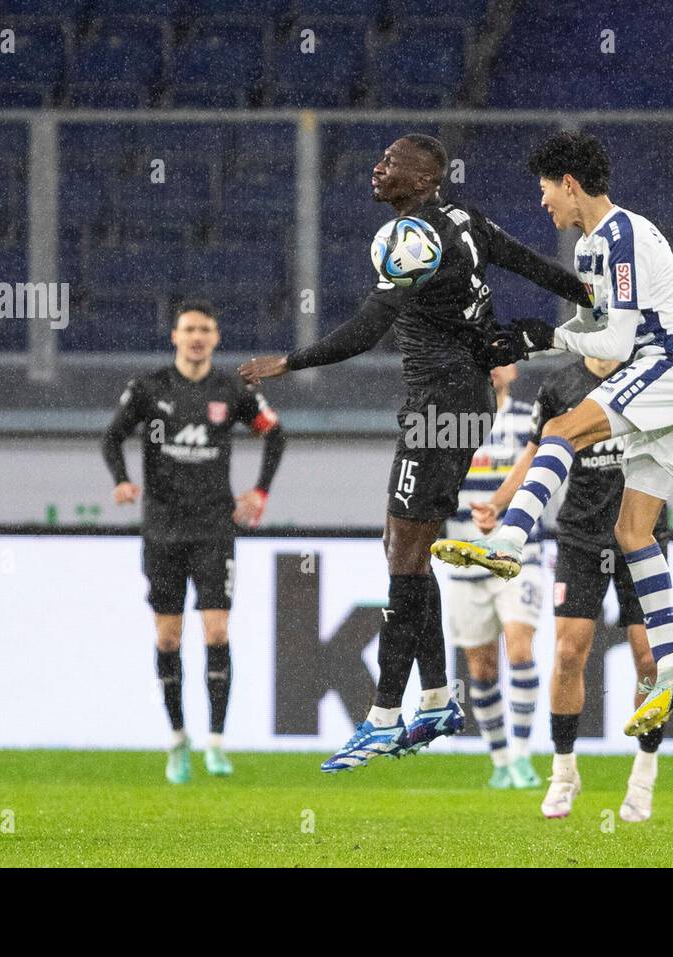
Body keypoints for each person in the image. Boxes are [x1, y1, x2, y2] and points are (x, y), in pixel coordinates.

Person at [238, 134, 592, 773]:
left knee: (403, 554)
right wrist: (593, 296)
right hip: (462, 400)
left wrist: (291, 361)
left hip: (440, 405)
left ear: (425, 176)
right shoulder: (466, 220)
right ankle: (434, 699)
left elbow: (369, 328)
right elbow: (533, 265)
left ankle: (382, 716)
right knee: (407, 547)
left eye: (391, 162)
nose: (377, 169)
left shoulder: (411, 239)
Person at [432, 130, 673, 739]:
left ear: (569, 183)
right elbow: (592, 323)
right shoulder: (593, 247)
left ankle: (509, 544)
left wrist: (547, 339)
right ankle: (671, 668)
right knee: (634, 529)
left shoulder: (619, 235)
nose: (543, 205)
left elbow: (614, 345)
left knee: (563, 427)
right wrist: (534, 339)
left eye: (545, 191)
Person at [473, 355, 673, 820]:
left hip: (641, 535)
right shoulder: (562, 385)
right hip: (580, 536)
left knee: (649, 658)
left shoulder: (653, 371)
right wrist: (501, 505)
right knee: (568, 653)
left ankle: (644, 775)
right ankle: (564, 773)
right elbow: (537, 453)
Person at [103, 301, 286, 784]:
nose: (197, 336)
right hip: (162, 529)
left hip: (213, 528)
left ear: (216, 337)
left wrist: (260, 492)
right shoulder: (148, 388)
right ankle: (178, 737)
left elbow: (276, 433)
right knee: (167, 636)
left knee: (217, 631)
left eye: (205, 329)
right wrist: (121, 480)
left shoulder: (232, 389)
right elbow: (111, 436)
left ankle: (218, 743)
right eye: (189, 329)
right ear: (175, 337)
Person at [446, 363, 543, 790]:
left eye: (500, 357)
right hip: (464, 559)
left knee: (520, 648)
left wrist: (502, 509)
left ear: (515, 369)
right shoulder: (450, 420)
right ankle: (501, 759)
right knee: (481, 668)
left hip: (518, 554)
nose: (491, 365)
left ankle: (522, 755)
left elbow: (544, 473)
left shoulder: (530, 419)